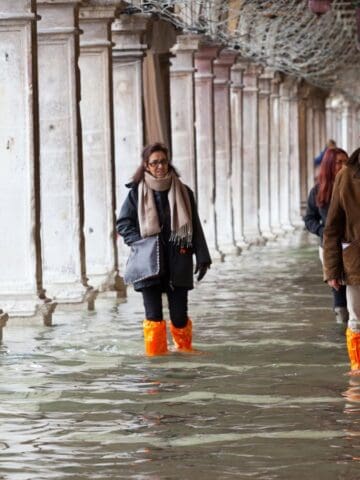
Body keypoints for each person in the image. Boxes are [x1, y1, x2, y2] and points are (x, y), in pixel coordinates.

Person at [116, 142, 212, 356]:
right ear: (146, 166)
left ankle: (184, 352)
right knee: (153, 316)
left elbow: (194, 225)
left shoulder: (184, 192)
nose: (160, 166)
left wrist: (203, 256)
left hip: (179, 259)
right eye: (154, 162)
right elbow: (123, 224)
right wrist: (140, 242)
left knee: (179, 315)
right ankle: (156, 359)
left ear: (168, 163)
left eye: (163, 161)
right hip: (148, 263)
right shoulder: (135, 193)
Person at [323, 147, 360, 375]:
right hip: (357, 261)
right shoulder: (346, 176)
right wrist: (332, 271)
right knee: (356, 320)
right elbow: (332, 227)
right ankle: (357, 373)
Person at [304, 147, 349, 325]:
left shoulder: (353, 188)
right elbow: (309, 218)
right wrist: (324, 232)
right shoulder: (317, 192)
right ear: (329, 165)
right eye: (339, 162)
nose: (344, 166)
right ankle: (342, 325)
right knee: (337, 285)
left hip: (352, 245)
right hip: (329, 247)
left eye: (346, 162)